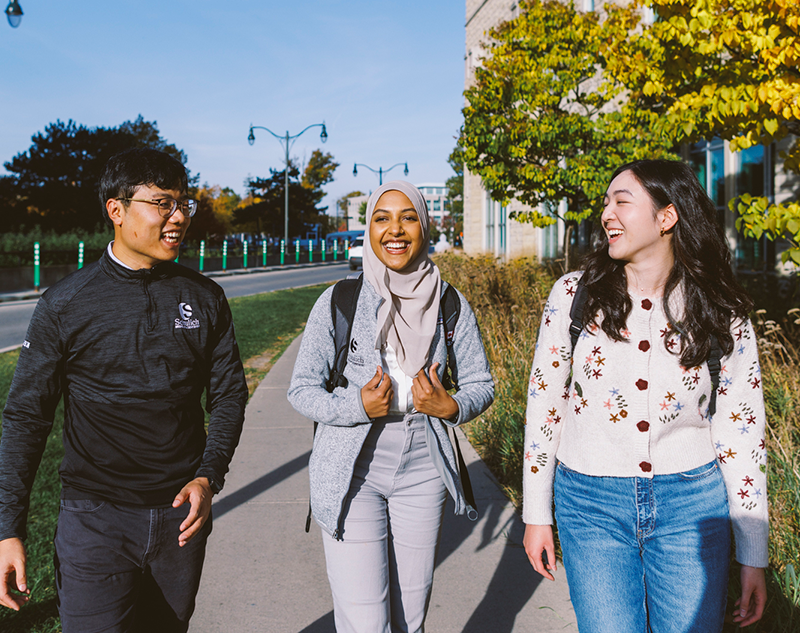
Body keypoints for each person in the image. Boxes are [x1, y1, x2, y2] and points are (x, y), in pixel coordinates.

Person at [0, 148, 248, 632]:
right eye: (162, 204)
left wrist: (207, 477)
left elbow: (229, 395)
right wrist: (7, 530)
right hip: (95, 520)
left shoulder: (205, 297)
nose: (178, 218)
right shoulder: (64, 305)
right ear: (117, 210)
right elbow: (27, 418)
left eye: (183, 204)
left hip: (181, 520)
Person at [523, 159, 769, 633]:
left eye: (622, 201)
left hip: (693, 506)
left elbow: (742, 430)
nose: (606, 214)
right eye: (605, 202)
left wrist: (753, 554)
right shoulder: (574, 296)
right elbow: (545, 405)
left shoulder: (722, 308)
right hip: (589, 503)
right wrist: (537, 514)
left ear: (667, 217)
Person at [288, 180, 494, 633]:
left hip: (423, 466)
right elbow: (301, 390)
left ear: (424, 226)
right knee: (365, 622)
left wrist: (450, 406)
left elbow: (482, 384)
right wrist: (356, 405)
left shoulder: (449, 303)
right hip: (352, 467)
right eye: (382, 218)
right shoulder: (339, 301)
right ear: (369, 229)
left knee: (410, 617)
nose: (394, 229)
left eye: (408, 217)